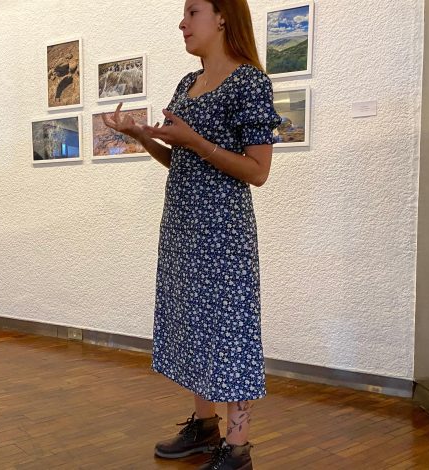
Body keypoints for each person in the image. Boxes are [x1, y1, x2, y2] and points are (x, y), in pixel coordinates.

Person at [102, 0, 281, 469]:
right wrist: (142, 136)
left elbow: (257, 171)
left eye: (192, 11)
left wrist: (195, 141)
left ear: (223, 16)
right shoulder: (188, 84)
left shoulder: (249, 82)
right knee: (193, 325)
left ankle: (238, 445)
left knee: (230, 329)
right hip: (182, 228)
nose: (182, 22)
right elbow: (181, 161)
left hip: (223, 234)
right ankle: (205, 427)